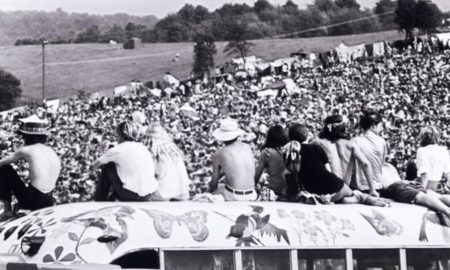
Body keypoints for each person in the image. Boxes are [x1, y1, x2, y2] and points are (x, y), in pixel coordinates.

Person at [355, 112, 450, 219]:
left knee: (423, 196)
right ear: (373, 126)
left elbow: (425, 173)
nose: (382, 129)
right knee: (435, 195)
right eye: (381, 126)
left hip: (385, 185)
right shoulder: (381, 142)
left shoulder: (355, 141)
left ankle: (447, 211)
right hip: (396, 184)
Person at [287, 123, 385, 206]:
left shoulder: (291, 151)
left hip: (312, 188)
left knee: (340, 199)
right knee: (352, 194)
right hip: (334, 184)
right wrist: (372, 189)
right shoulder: (347, 144)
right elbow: (365, 164)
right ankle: (363, 198)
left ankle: (335, 197)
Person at [0, 115, 61, 221]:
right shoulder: (52, 152)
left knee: (4, 168)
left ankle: (7, 210)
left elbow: (2, 163)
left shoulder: (26, 150)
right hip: (49, 201)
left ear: (27, 137)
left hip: (33, 201)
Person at [93, 121, 160, 201]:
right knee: (125, 170)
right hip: (149, 194)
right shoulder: (142, 147)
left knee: (108, 166)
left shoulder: (118, 149)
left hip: (132, 195)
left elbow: (95, 165)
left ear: (120, 135)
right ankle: (113, 197)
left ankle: (99, 201)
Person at [312, 115, 378, 196]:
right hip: (344, 189)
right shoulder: (350, 144)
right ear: (343, 128)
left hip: (327, 188)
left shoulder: (317, 143)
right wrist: (372, 189)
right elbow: (366, 164)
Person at [209, 118, 257, 201]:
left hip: (234, 195)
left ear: (221, 137)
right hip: (252, 194)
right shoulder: (248, 147)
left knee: (217, 188)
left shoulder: (218, 154)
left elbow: (214, 184)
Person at [143, 123, 190, 201]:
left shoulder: (154, 149)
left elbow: (159, 173)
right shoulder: (172, 147)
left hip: (163, 194)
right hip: (182, 193)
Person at [254, 125, 289, 198]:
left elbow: (257, 176)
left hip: (275, 190)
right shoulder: (289, 150)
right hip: (290, 189)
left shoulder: (267, 152)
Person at [415, 126, 450, 192]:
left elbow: (424, 172)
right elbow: (448, 173)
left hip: (423, 185)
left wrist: (422, 191)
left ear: (423, 138)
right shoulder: (444, 151)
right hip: (436, 187)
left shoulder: (422, 150)